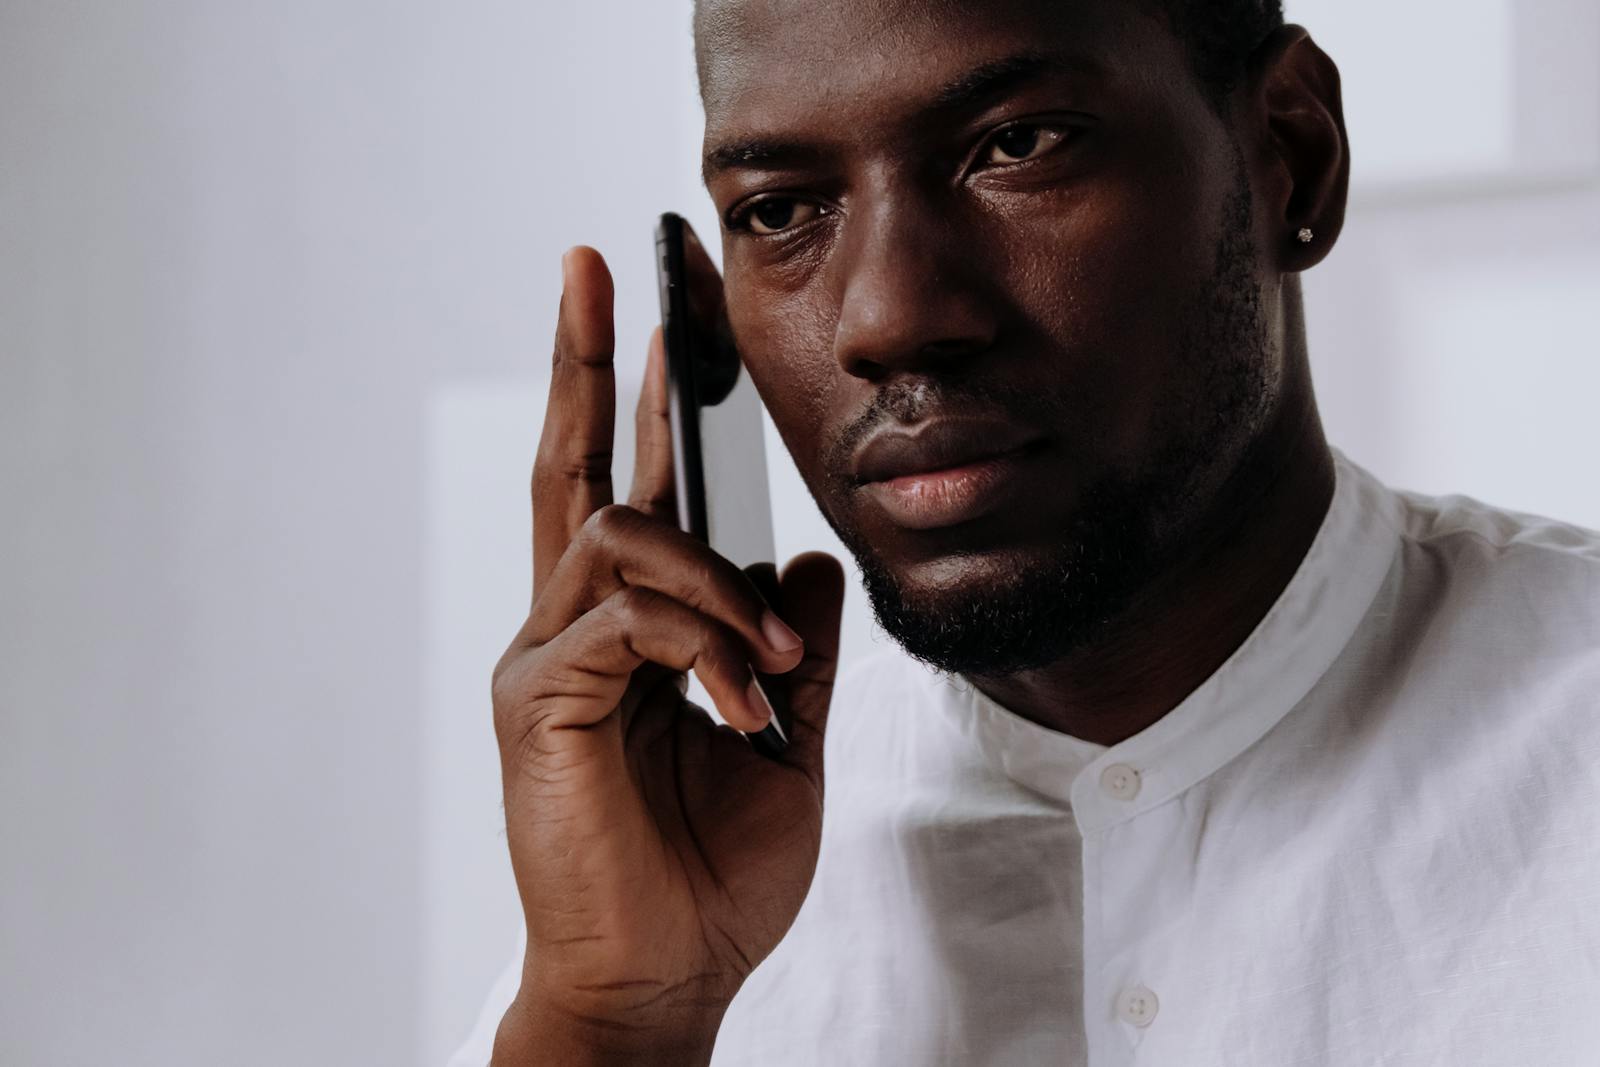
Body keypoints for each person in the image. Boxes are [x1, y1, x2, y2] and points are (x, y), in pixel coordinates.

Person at [453, 1, 1600, 1063]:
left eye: (1016, 146)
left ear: (1288, 153)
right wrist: (608, 1025)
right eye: (782, 211)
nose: (889, 318)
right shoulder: (681, 873)